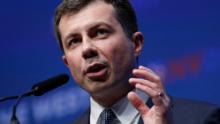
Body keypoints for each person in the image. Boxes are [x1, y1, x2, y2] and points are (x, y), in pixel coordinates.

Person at [53, 0, 220, 124]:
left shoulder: (201, 119)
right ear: (67, 63)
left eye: (100, 32)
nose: (86, 49)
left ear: (136, 44)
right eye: (74, 41)